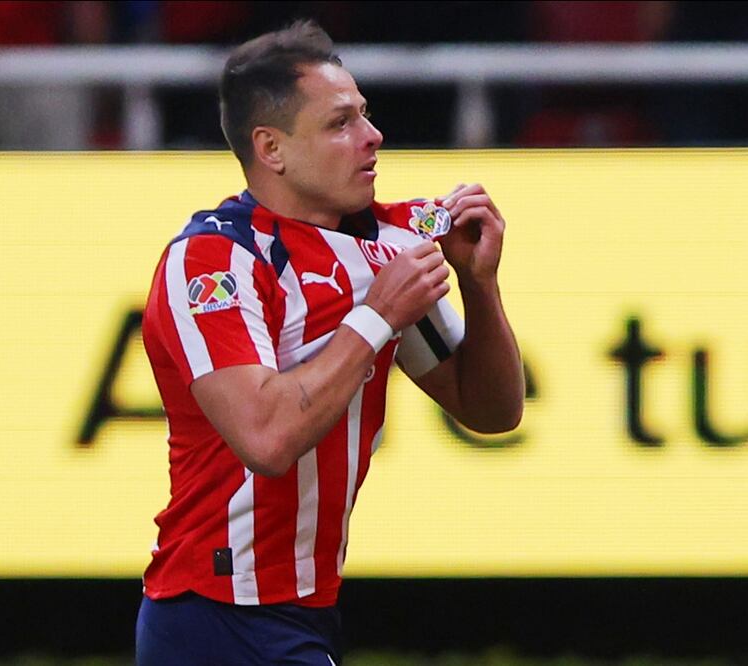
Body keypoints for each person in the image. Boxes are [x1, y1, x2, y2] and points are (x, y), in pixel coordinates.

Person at [136, 20, 525, 665]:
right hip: (217, 613)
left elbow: (491, 410)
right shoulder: (213, 263)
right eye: (340, 123)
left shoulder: (382, 244)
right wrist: (376, 317)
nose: (373, 138)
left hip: (307, 609)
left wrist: (479, 287)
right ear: (272, 148)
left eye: (365, 116)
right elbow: (266, 439)